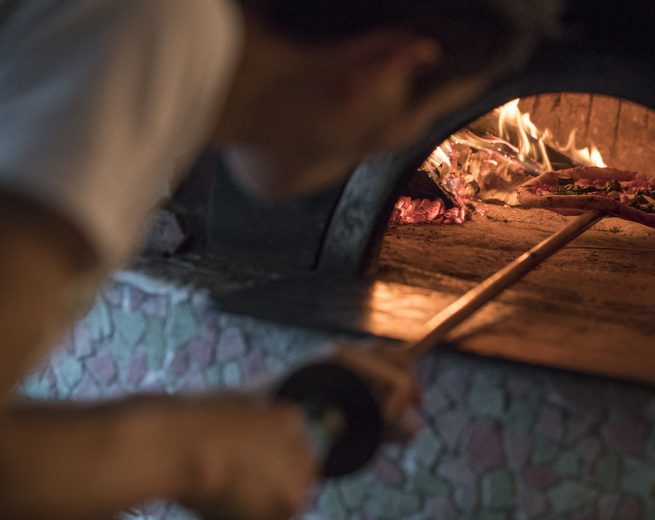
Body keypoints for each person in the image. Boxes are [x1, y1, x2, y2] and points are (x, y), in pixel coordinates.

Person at [0, 0, 559, 518]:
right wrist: (196, 449)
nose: (398, 145)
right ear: (387, 68)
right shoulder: (158, 26)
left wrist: (236, 422)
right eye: (427, 117)